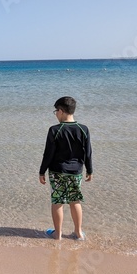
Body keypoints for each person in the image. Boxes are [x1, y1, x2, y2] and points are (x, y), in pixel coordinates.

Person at [39, 96, 93, 241]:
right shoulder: (83, 129)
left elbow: (48, 153)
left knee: (57, 201)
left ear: (61, 111)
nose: (56, 114)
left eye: (56, 111)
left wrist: (41, 171)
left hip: (57, 171)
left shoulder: (54, 130)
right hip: (76, 171)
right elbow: (87, 152)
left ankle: (58, 234)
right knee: (75, 201)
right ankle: (78, 233)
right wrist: (90, 170)